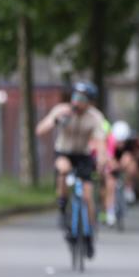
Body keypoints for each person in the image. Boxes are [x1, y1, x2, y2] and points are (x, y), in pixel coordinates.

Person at [35, 82, 108, 258]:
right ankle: (62, 206)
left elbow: (100, 144)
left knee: (88, 196)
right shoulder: (62, 110)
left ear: (89, 102)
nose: (77, 101)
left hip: (83, 155)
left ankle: (89, 235)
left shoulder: (95, 117)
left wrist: (101, 160)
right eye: (75, 97)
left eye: (82, 99)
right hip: (64, 152)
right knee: (63, 169)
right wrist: (55, 120)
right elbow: (40, 130)